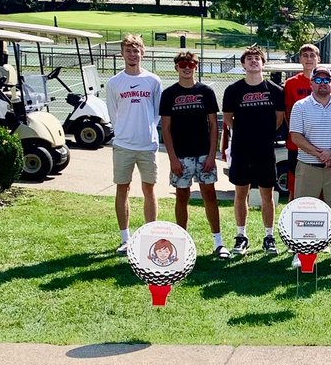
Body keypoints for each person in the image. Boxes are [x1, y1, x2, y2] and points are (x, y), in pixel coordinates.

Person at [159, 51, 227, 259]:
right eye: (182, 64)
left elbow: (214, 125)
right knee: (182, 196)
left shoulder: (205, 92)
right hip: (181, 155)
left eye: (190, 64)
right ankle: (181, 241)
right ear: (176, 67)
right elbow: (166, 128)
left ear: (196, 67)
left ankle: (218, 242)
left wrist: (211, 155)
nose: (186, 68)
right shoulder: (169, 94)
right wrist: (172, 158)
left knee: (209, 195)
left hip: (203, 154)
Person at [288, 64, 331, 265]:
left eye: (327, 80)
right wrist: (319, 154)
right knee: (304, 211)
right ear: (311, 83)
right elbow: (296, 137)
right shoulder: (300, 106)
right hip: (308, 166)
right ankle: (301, 253)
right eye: (318, 80)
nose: (323, 84)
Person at [221, 45, 285, 255]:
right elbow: (229, 119)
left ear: (263, 64)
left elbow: (279, 118)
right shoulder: (233, 90)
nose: (253, 61)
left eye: (257, 58)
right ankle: (241, 236)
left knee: (267, 194)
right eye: (249, 58)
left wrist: (263, 134)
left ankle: (269, 237)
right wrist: (245, 134)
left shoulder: (275, 90)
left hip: (265, 150)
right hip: (241, 149)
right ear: (243, 64)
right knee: (241, 193)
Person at [105, 34, 163, 254]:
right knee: (123, 188)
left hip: (147, 145)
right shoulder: (114, 83)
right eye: (128, 51)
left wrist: (146, 131)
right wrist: (123, 132)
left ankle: (149, 235)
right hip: (123, 145)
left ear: (143, 53)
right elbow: (113, 113)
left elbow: (157, 112)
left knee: (149, 188)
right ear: (122, 54)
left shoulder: (153, 81)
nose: (132, 55)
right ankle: (125, 238)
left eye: (136, 50)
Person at [284, 44, 331, 198]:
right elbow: (288, 112)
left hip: (325, 146)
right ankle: (294, 219)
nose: (309, 59)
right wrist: (300, 137)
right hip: (298, 146)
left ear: (318, 59)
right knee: (295, 187)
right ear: (300, 59)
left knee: (324, 189)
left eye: (312, 55)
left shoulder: (330, 82)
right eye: (305, 55)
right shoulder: (291, 83)